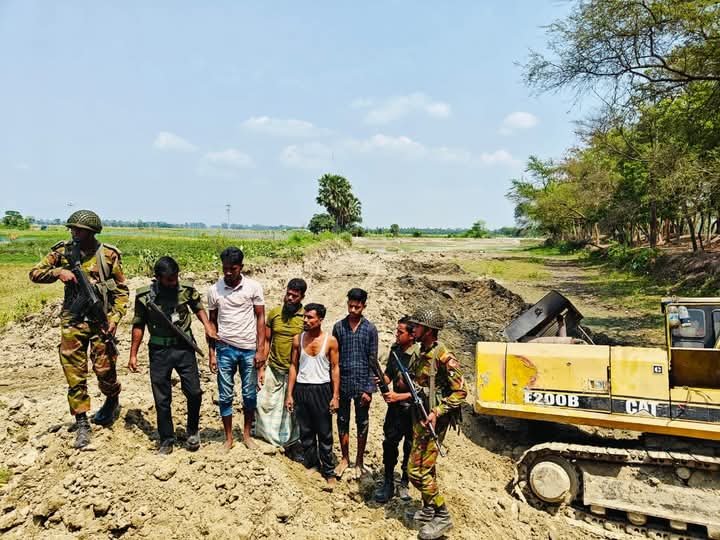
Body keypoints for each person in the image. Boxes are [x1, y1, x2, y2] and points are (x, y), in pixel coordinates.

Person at [29, 210, 129, 449]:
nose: (73, 232)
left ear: (92, 232)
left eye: (79, 230)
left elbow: (121, 292)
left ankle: (112, 399)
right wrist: (57, 272)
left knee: (105, 371)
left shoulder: (108, 255)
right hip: (73, 321)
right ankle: (82, 422)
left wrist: (115, 319)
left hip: (100, 321)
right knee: (75, 375)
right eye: (72, 228)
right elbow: (34, 273)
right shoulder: (63, 252)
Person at [128, 256, 217, 454]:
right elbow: (138, 325)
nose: (174, 282)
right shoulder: (144, 296)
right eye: (169, 279)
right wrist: (133, 354)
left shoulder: (186, 290)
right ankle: (167, 438)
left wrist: (207, 326)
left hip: (184, 348)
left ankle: (192, 430)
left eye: (176, 277)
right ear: (158, 278)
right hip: (159, 351)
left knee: (194, 392)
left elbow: (198, 307)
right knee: (162, 398)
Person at [405, 308, 467, 540]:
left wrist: (437, 411)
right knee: (426, 468)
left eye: (417, 326)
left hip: (434, 422)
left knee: (416, 471)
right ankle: (429, 508)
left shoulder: (444, 356)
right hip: (420, 417)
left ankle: (442, 514)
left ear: (429, 330)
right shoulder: (421, 351)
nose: (413, 329)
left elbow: (461, 392)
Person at [207, 247, 266, 450]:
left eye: (232, 268)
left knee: (249, 394)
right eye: (225, 268)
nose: (228, 272)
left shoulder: (253, 287)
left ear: (241, 267)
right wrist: (212, 353)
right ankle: (229, 438)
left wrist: (260, 350)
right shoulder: (214, 290)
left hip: (249, 349)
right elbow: (212, 323)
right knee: (225, 395)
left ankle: (247, 435)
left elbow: (260, 317)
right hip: (224, 349)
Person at [285, 303, 340, 489]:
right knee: (306, 431)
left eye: (310, 317)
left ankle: (329, 471)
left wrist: (335, 396)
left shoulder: (330, 341)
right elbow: (293, 366)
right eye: (304, 317)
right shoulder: (297, 339)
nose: (305, 320)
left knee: (324, 432)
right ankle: (312, 464)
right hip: (302, 388)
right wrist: (290, 394)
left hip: (322, 389)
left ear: (320, 320)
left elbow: (335, 368)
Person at [254, 278, 307, 450]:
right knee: (263, 402)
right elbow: (267, 341)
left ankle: (292, 444)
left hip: (296, 371)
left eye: (295, 296)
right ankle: (267, 439)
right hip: (274, 367)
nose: (290, 298)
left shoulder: (305, 318)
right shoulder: (275, 314)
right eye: (288, 294)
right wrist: (262, 368)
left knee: (292, 410)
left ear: (302, 297)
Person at [333, 288, 378, 479]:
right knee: (342, 420)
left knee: (362, 422)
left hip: (362, 384)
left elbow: (373, 361)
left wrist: (369, 389)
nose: (352, 310)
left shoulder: (370, 329)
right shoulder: (339, 327)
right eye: (350, 306)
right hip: (343, 383)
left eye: (357, 307)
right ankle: (345, 458)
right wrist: (334, 391)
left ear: (364, 306)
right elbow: (334, 360)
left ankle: (359, 460)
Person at [373, 316, 418, 503]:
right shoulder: (395, 351)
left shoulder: (420, 356)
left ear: (412, 335)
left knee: (410, 446)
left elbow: (422, 391)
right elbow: (389, 375)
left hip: (413, 410)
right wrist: (381, 380)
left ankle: (405, 481)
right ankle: (388, 481)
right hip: (395, 409)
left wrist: (398, 396)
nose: (396, 335)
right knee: (390, 443)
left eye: (400, 332)